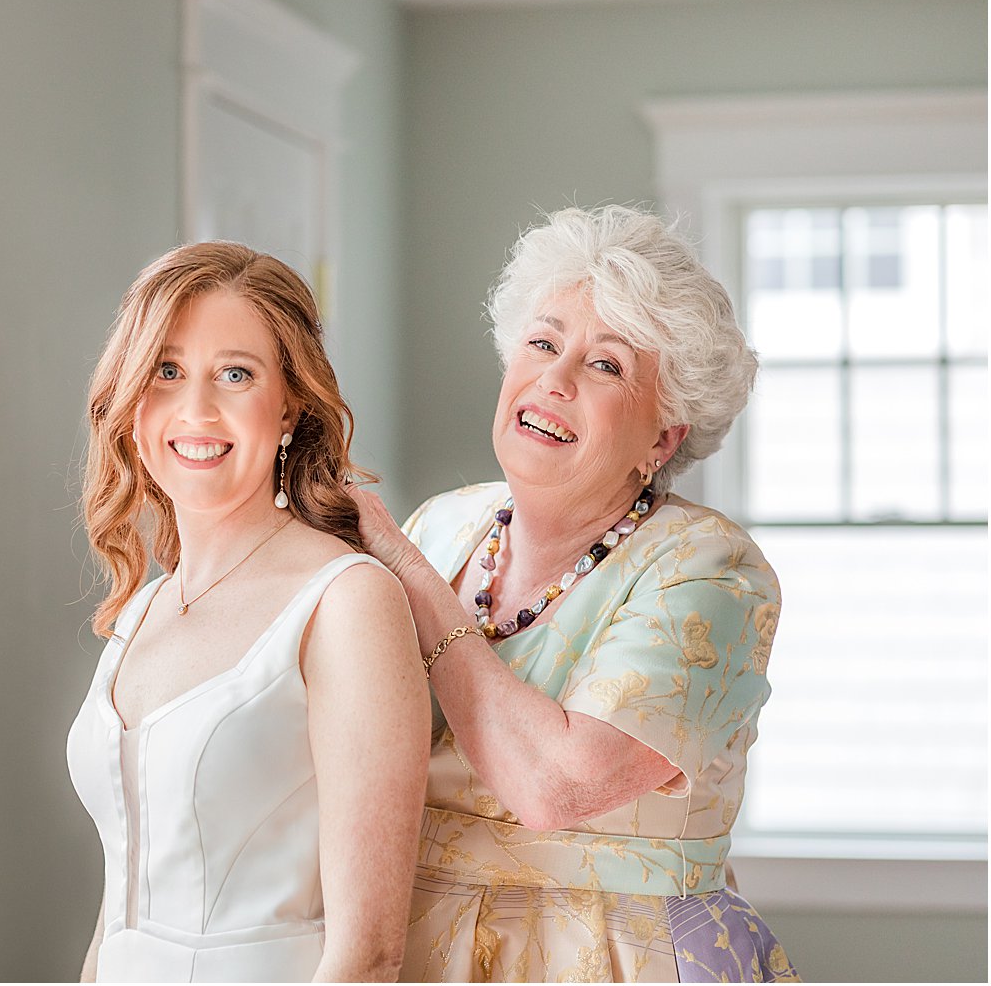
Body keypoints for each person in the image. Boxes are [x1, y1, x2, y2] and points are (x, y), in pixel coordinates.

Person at [351, 206, 801, 982]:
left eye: (606, 366)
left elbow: (557, 785)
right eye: (543, 342)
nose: (553, 379)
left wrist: (402, 566)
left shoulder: (712, 568)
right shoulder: (442, 525)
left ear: (663, 437)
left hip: (615, 956)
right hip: (416, 947)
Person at [69, 241, 430, 982]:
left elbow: (368, 953)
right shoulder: (144, 610)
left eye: (235, 374)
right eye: (167, 372)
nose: (196, 409)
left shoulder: (346, 602)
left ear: (291, 400)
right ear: (132, 395)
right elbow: (117, 916)